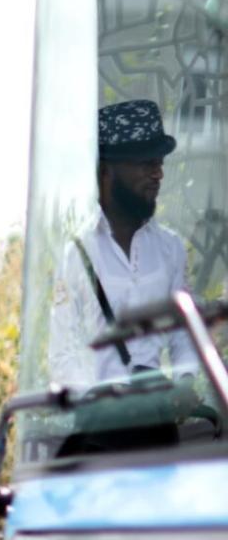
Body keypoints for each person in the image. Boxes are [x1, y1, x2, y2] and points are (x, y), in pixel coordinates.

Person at [47, 100, 199, 388]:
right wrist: (98, 396)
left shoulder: (171, 249)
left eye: (160, 162)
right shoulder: (78, 254)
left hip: (158, 415)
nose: (159, 173)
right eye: (146, 163)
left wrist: (185, 383)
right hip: (102, 421)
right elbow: (61, 354)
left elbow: (183, 336)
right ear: (107, 172)